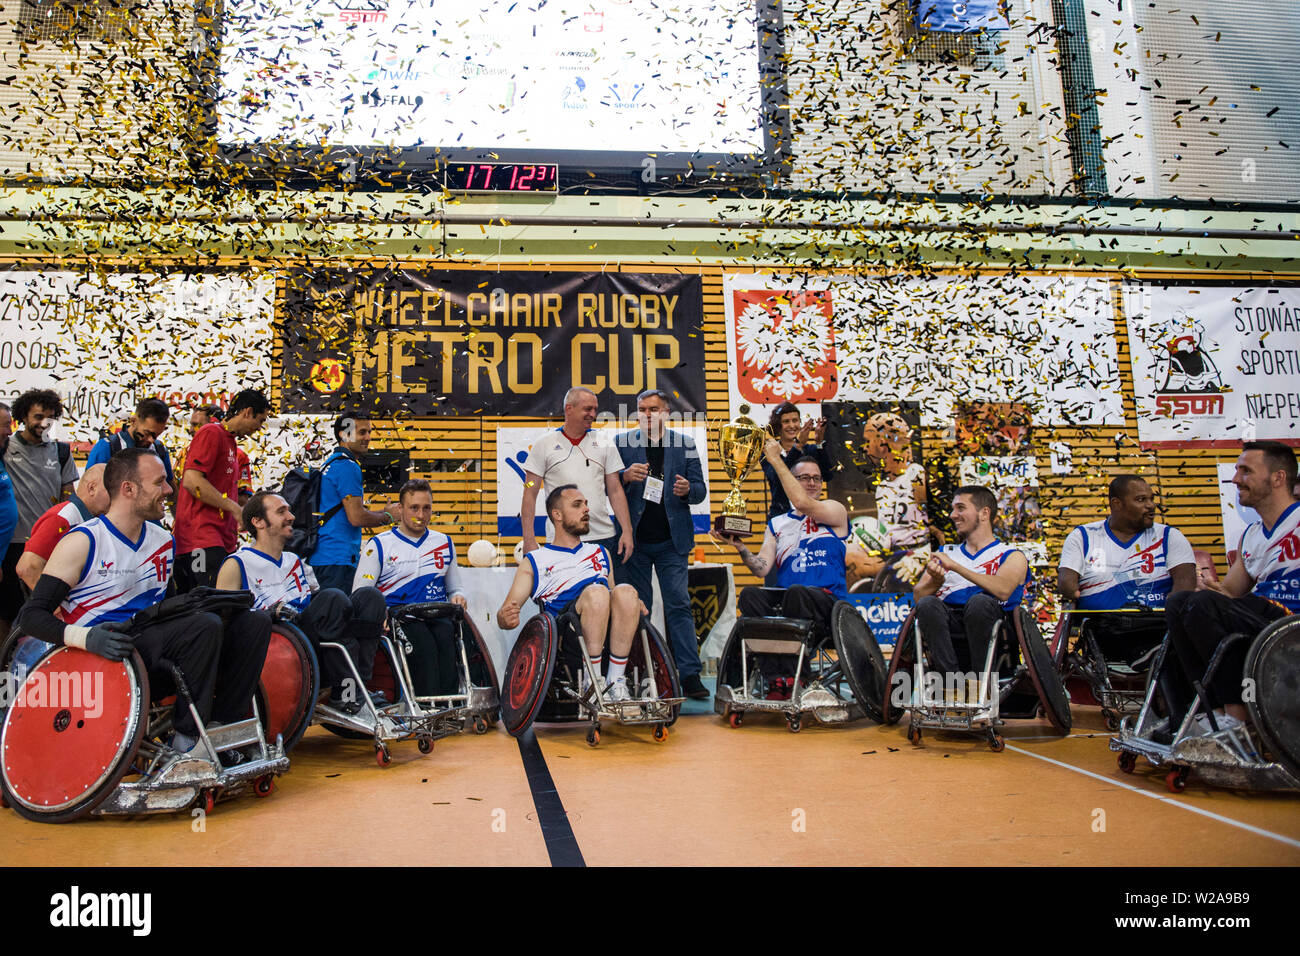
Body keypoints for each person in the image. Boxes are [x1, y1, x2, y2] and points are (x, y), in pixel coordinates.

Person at [14, 447, 271, 757]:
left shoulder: (162, 540)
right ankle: (187, 740)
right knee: (202, 627)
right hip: (102, 656)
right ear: (129, 489)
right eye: (160, 482)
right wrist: (86, 637)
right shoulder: (83, 541)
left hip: (150, 649)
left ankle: (219, 727)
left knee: (252, 622)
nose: (169, 490)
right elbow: (32, 616)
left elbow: (172, 609)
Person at [1163, 441, 1300, 733]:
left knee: (1201, 605)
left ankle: (1238, 720)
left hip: (1292, 623)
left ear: (1278, 478)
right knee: (1180, 603)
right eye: (1237, 470)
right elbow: (1229, 595)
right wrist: (1207, 588)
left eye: (1246, 471)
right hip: (1262, 621)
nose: (1236, 479)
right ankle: (1212, 713)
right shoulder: (1251, 535)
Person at [216, 490, 387, 714]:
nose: (291, 516)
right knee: (332, 597)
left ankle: (355, 689)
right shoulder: (237, 563)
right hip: (280, 648)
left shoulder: (294, 560)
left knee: (370, 597)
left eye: (288, 509)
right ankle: (347, 691)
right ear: (258, 522)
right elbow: (225, 623)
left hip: (313, 640)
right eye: (281, 511)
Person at [498, 485, 644, 702]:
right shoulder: (536, 560)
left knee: (626, 591)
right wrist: (505, 617)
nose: (586, 509)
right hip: (568, 635)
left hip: (609, 630)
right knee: (597, 593)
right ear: (557, 515)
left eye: (586, 504)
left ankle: (616, 682)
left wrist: (632, 602)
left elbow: (616, 594)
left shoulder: (600, 552)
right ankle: (591, 681)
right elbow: (505, 613)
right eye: (577, 505)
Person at [613, 389, 709, 699]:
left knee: (679, 605)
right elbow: (608, 487)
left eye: (654, 409)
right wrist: (625, 477)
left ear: (667, 413)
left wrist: (686, 489)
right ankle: (642, 672)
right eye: (642, 409)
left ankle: (690, 674)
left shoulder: (686, 444)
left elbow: (700, 491)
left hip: (672, 541)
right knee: (638, 610)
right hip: (635, 540)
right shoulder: (622, 444)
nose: (647, 414)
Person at [1057, 474, 1196, 667]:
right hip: (1103, 629)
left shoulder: (1170, 536)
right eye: (1141, 500)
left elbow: (1185, 587)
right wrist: (1071, 590)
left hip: (1155, 627)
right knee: (1105, 626)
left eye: (1151, 499)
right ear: (1116, 504)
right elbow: (1067, 585)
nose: (1151, 506)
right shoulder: (1083, 536)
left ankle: (1151, 654)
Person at [716, 440, 849, 628]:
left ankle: (792, 654)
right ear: (790, 481)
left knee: (797, 593)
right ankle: (764, 654)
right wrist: (742, 548)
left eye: (816, 478)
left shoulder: (835, 510)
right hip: (787, 599)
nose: (812, 483)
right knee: (750, 594)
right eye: (804, 477)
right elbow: (760, 569)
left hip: (827, 602)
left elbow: (802, 503)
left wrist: (775, 459)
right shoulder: (777, 524)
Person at [355, 479, 466, 697]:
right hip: (399, 615)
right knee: (423, 643)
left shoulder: (444, 542)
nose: (421, 514)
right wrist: (378, 614)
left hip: (436, 613)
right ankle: (426, 707)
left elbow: (455, 589)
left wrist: (459, 597)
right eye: (414, 507)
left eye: (427, 508)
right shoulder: (379, 545)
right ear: (400, 508)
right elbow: (361, 593)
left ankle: (449, 707)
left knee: (447, 638)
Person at [912, 485, 1029, 684]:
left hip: (995, 634)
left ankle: (980, 685)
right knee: (927, 605)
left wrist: (955, 567)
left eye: (960, 508)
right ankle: (952, 684)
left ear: (984, 513)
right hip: (950, 632)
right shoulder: (946, 552)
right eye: (952, 509)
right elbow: (919, 597)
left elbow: (1002, 590)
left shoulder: (1011, 555)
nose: (952, 515)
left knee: (979, 603)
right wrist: (936, 581)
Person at [519, 386, 633, 564]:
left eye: (595, 409)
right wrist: (529, 539)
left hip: (603, 538)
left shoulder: (604, 441)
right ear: (569, 409)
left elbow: (616, 490)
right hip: (561, 540)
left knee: (604, 592)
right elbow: (529, 491)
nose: (593, 414)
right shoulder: (544, 444)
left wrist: (627, 531)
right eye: (588, 409)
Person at [173, 389, 271, 592]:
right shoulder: (211, 432)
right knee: (208, 607)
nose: (259, 428)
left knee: (222, 606)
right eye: (260, 420)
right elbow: (191, 481)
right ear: (247, 412)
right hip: (201, 540)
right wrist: (234, 508)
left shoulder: (231, 442)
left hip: (221, 539)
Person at [0, 388, 77, 630]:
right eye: (38, 417)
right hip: (13, 547)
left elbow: (70, 497)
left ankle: (38, 661)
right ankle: (6, 663)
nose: (44, 424)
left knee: (45, 610)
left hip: (49, 545)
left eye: (50, 418)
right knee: (8, 611)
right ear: (23, 416)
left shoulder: (61, 451)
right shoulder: (4, 447)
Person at [307, 413, 394, 593]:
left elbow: (348, 512)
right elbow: (356, 517)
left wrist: (382, 512)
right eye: (362, 432)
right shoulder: (348, 466)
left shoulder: (331, 463)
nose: (368, 438)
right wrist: (389, 516)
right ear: (344, 434)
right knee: (339, 616)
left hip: (325, 555)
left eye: (369, 432)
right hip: (337, 558)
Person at [17, 463, 109, 590]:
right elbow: (28, 567)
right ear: (92, 488)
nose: (116, 496)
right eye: (110, 490)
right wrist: (54, 607)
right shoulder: (63, 518)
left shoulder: (84, 517)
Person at [761, 403, 831, 519]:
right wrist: (797, 447)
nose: (792, 425)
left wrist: (819, 443)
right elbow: (777, 478)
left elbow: (827, 476)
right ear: (778, 425)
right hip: (781, 518)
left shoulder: (811, 450)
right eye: (786, 421)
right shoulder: (770, 451)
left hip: (811, 517)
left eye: (795, 420)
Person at [86, 397, 174, 485]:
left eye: (156, 435)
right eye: (147, 433)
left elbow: (170, 489)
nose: (151, 440)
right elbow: (89, 490)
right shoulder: (107, 447)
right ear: (133, 421)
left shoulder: (160, 450)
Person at [183, 404, 252, 504]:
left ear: (213, 425)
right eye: (191, 425)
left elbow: (242, 499)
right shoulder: (184, 453)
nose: (190, 430)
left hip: (218, 517)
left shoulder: (238, 455)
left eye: (196, 425)